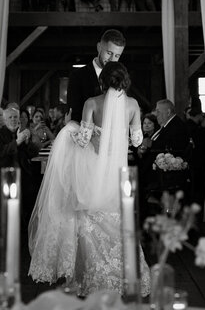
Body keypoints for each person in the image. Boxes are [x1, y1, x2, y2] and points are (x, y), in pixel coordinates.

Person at [28, 62, 150, 296]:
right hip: (116, 172)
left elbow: (83, 140)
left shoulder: (92, 103)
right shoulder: (133, 105)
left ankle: (91, 275)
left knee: (88, 218)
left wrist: (69, 129)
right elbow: (136, 141)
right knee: (117, 219)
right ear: (125, 80)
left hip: (94, 169)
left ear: (102, 81)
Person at [66, 29, 126, 123]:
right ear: (99, 47)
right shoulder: (77, 76)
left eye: (117, 56)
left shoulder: (121, 77)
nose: (112, 59)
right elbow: (74, 114)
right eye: (109, 53)